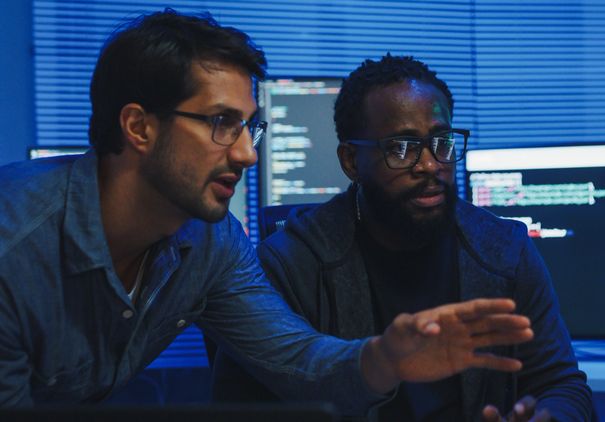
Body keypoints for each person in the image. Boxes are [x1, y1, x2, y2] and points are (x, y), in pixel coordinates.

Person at [0, 11, 536, 414]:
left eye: (249, 127)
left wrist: (384, 359)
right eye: (221, 123)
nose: (247, 154)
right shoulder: (14, 251)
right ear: (139, 127)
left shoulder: (210, 243)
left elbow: (297, 361)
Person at [211, 54, 593, 421]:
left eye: (442, 142)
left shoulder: (504, 249)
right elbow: (246, 408)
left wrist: (547, 418)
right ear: (350, 161)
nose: (430, 164)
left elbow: (561, 384)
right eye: (401, 148)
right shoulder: (291, 263)